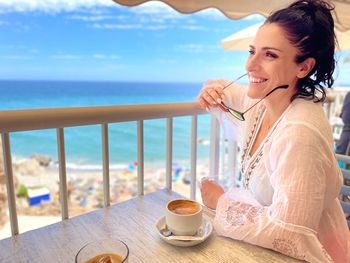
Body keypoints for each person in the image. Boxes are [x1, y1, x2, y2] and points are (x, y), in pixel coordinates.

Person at [197, 0, 350, 262]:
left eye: (270, 55)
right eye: (251, 51)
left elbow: (290, 234)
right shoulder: (263, 102)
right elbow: (222, 88)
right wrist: (210, 90)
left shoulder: (300, 132)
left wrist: (220, 202)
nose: (250, 65)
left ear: (303, 67)